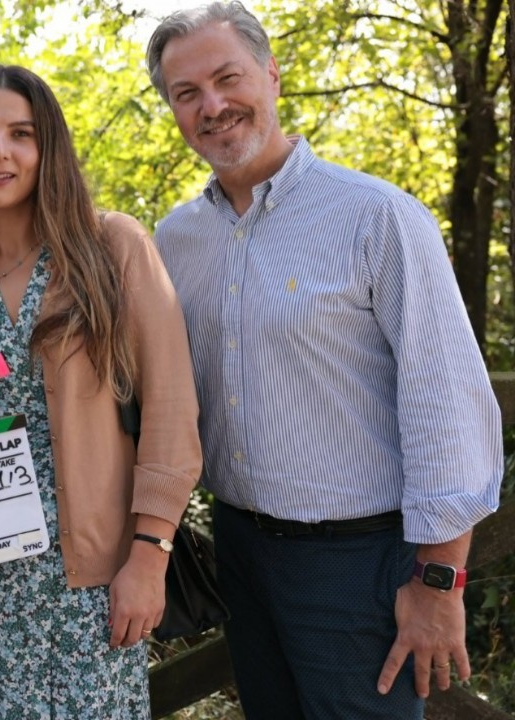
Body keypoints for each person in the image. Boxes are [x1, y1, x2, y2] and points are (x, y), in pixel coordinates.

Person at [145, 3, 504, 718]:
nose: (212, 106)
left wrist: (440, 581)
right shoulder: (174, 240)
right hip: (237, 551)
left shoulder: (377, 217)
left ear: (272, 75)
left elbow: (447, 403)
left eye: (227, 78)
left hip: (358, 563)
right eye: (187, 93)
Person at [0, 64, 202, 719]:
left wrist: (150, 556)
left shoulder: (111, 246)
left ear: (49, 149)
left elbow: (172, 409)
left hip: (89, 586)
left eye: (21, 134)